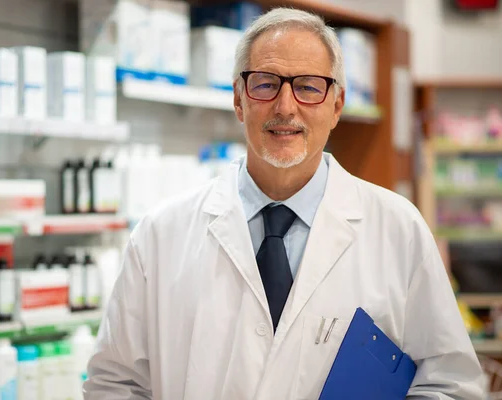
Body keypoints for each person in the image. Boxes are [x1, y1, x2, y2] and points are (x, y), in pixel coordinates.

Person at [84, 8, 484, 400]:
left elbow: (449, 384)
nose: (285, 107)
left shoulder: (398, 229)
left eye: (308, 87)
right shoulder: (160, 234)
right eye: (265, 84)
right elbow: (115, 384)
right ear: (239, 100)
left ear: (337, 106)